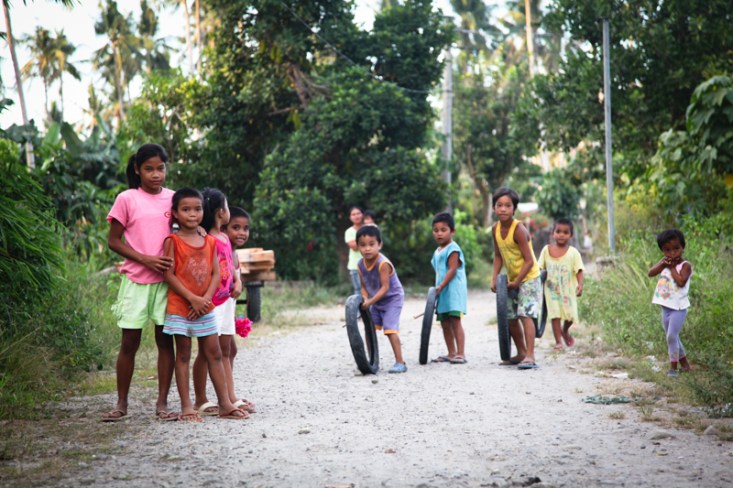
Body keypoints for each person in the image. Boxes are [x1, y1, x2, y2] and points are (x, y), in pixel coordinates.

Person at [103, 143, 177, 422]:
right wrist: (145, 259)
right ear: (137, 169)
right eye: (149, 169)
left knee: (165, 342)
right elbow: (113, 241)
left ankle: (162, 404)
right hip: (135, 281)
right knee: (129, 344)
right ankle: (121, 403)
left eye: (161, 168)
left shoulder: (173, 199)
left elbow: (187, 230)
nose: (156, 174)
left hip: (166, 283)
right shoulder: (127, 198)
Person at [162, 188, 247, 421]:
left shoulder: (208, 241)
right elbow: (169, 275)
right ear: (175, 214)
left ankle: (225, 404)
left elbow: (216, 273)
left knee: (215, 353)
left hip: (205, 307)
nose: (192, 214)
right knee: (184, 355)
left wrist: (205, 300)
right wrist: (192, 299)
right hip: (182, 308)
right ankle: (187, 407)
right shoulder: (172, 241)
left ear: (204, 211)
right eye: (186, 209)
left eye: (197, 209)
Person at [192, 190, 255, 417]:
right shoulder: (204, 238)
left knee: (225, 348)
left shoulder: (224, 238)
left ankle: (229, 397)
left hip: (227, 300)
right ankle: (201, 398)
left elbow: (231, 264)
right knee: (207, 351)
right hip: (212, 302)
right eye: (227, 206)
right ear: (221, 212)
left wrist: (238, 281)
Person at [490, 187, 543, 370]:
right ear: (494, 208)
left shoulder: (518, 229)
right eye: (499, 205)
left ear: (514, 209)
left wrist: (518, 281)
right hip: (512, 278)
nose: (503, 209)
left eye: (507, 206)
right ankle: (520, 352)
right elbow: (498, 256)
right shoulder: (495, 229)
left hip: (529, 277)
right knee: (510, 316)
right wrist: (494, 278)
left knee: (524, 314)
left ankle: (530, 355)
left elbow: (529, 260)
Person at [356, 225, 407, 373]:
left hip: (392, 299)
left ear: (380, 245)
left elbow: (385, 288)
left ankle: (400, 362)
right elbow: (363, 286)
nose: (367, 249)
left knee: (390, 330)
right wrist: (365, 298)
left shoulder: (383, 263)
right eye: (363, 245)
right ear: (357, 247)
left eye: (372, 244)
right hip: (376, 300)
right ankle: (372, 360)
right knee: (369, 328)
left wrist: (370, 302)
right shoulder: (360, 264)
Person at [648, 229, 692, 378]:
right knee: (673, 337)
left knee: (671, 337)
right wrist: (662, 264)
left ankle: (673, 368)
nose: (672, 253)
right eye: (667, 250)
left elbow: (680, 282)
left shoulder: (685, 266)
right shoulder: (664, 262)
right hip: (665, 308)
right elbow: (650, 273)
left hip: (678, 308)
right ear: (662, 250)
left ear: (682, 247)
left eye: (676, 248)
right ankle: (685, 366)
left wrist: (671, 267)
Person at [537, 218, 584, 351]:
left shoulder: (573, 253)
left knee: (570, 315)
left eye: (565, 232)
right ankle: (558, 342)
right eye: (558, 231)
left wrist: (580, 285)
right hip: (551, 290)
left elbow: (579, 270)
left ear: (571, 235)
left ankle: (565, 330)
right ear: (553, 233)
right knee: (555, 315)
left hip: (568, 291)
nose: (561, 234)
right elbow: (539, 268)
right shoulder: (546, 250)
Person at [430, 212, 468, 364]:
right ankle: (451, 352)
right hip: (442, 291)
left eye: (443, 230)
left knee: (455, 320)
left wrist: (441, 285)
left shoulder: (453, 248)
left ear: (453, 231)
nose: (439, 233)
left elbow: (452, 270)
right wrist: (438, 288)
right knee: (444, 322)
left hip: (453, 291)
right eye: (436, 230)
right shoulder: (437, 252)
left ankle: (461, 353)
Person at [344, 206, 364, 296]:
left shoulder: (369, 228)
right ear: (350, 217)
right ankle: (358, 310)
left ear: (362, 214)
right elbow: (353, 247)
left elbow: (378, 244)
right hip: (355, 266)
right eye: (353, 214)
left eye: (358, 213)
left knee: (373, 290)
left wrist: (358, 242)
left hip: (371, 264)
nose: (356, 216)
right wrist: (366, 241)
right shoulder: (349, 231)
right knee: (358, 290)